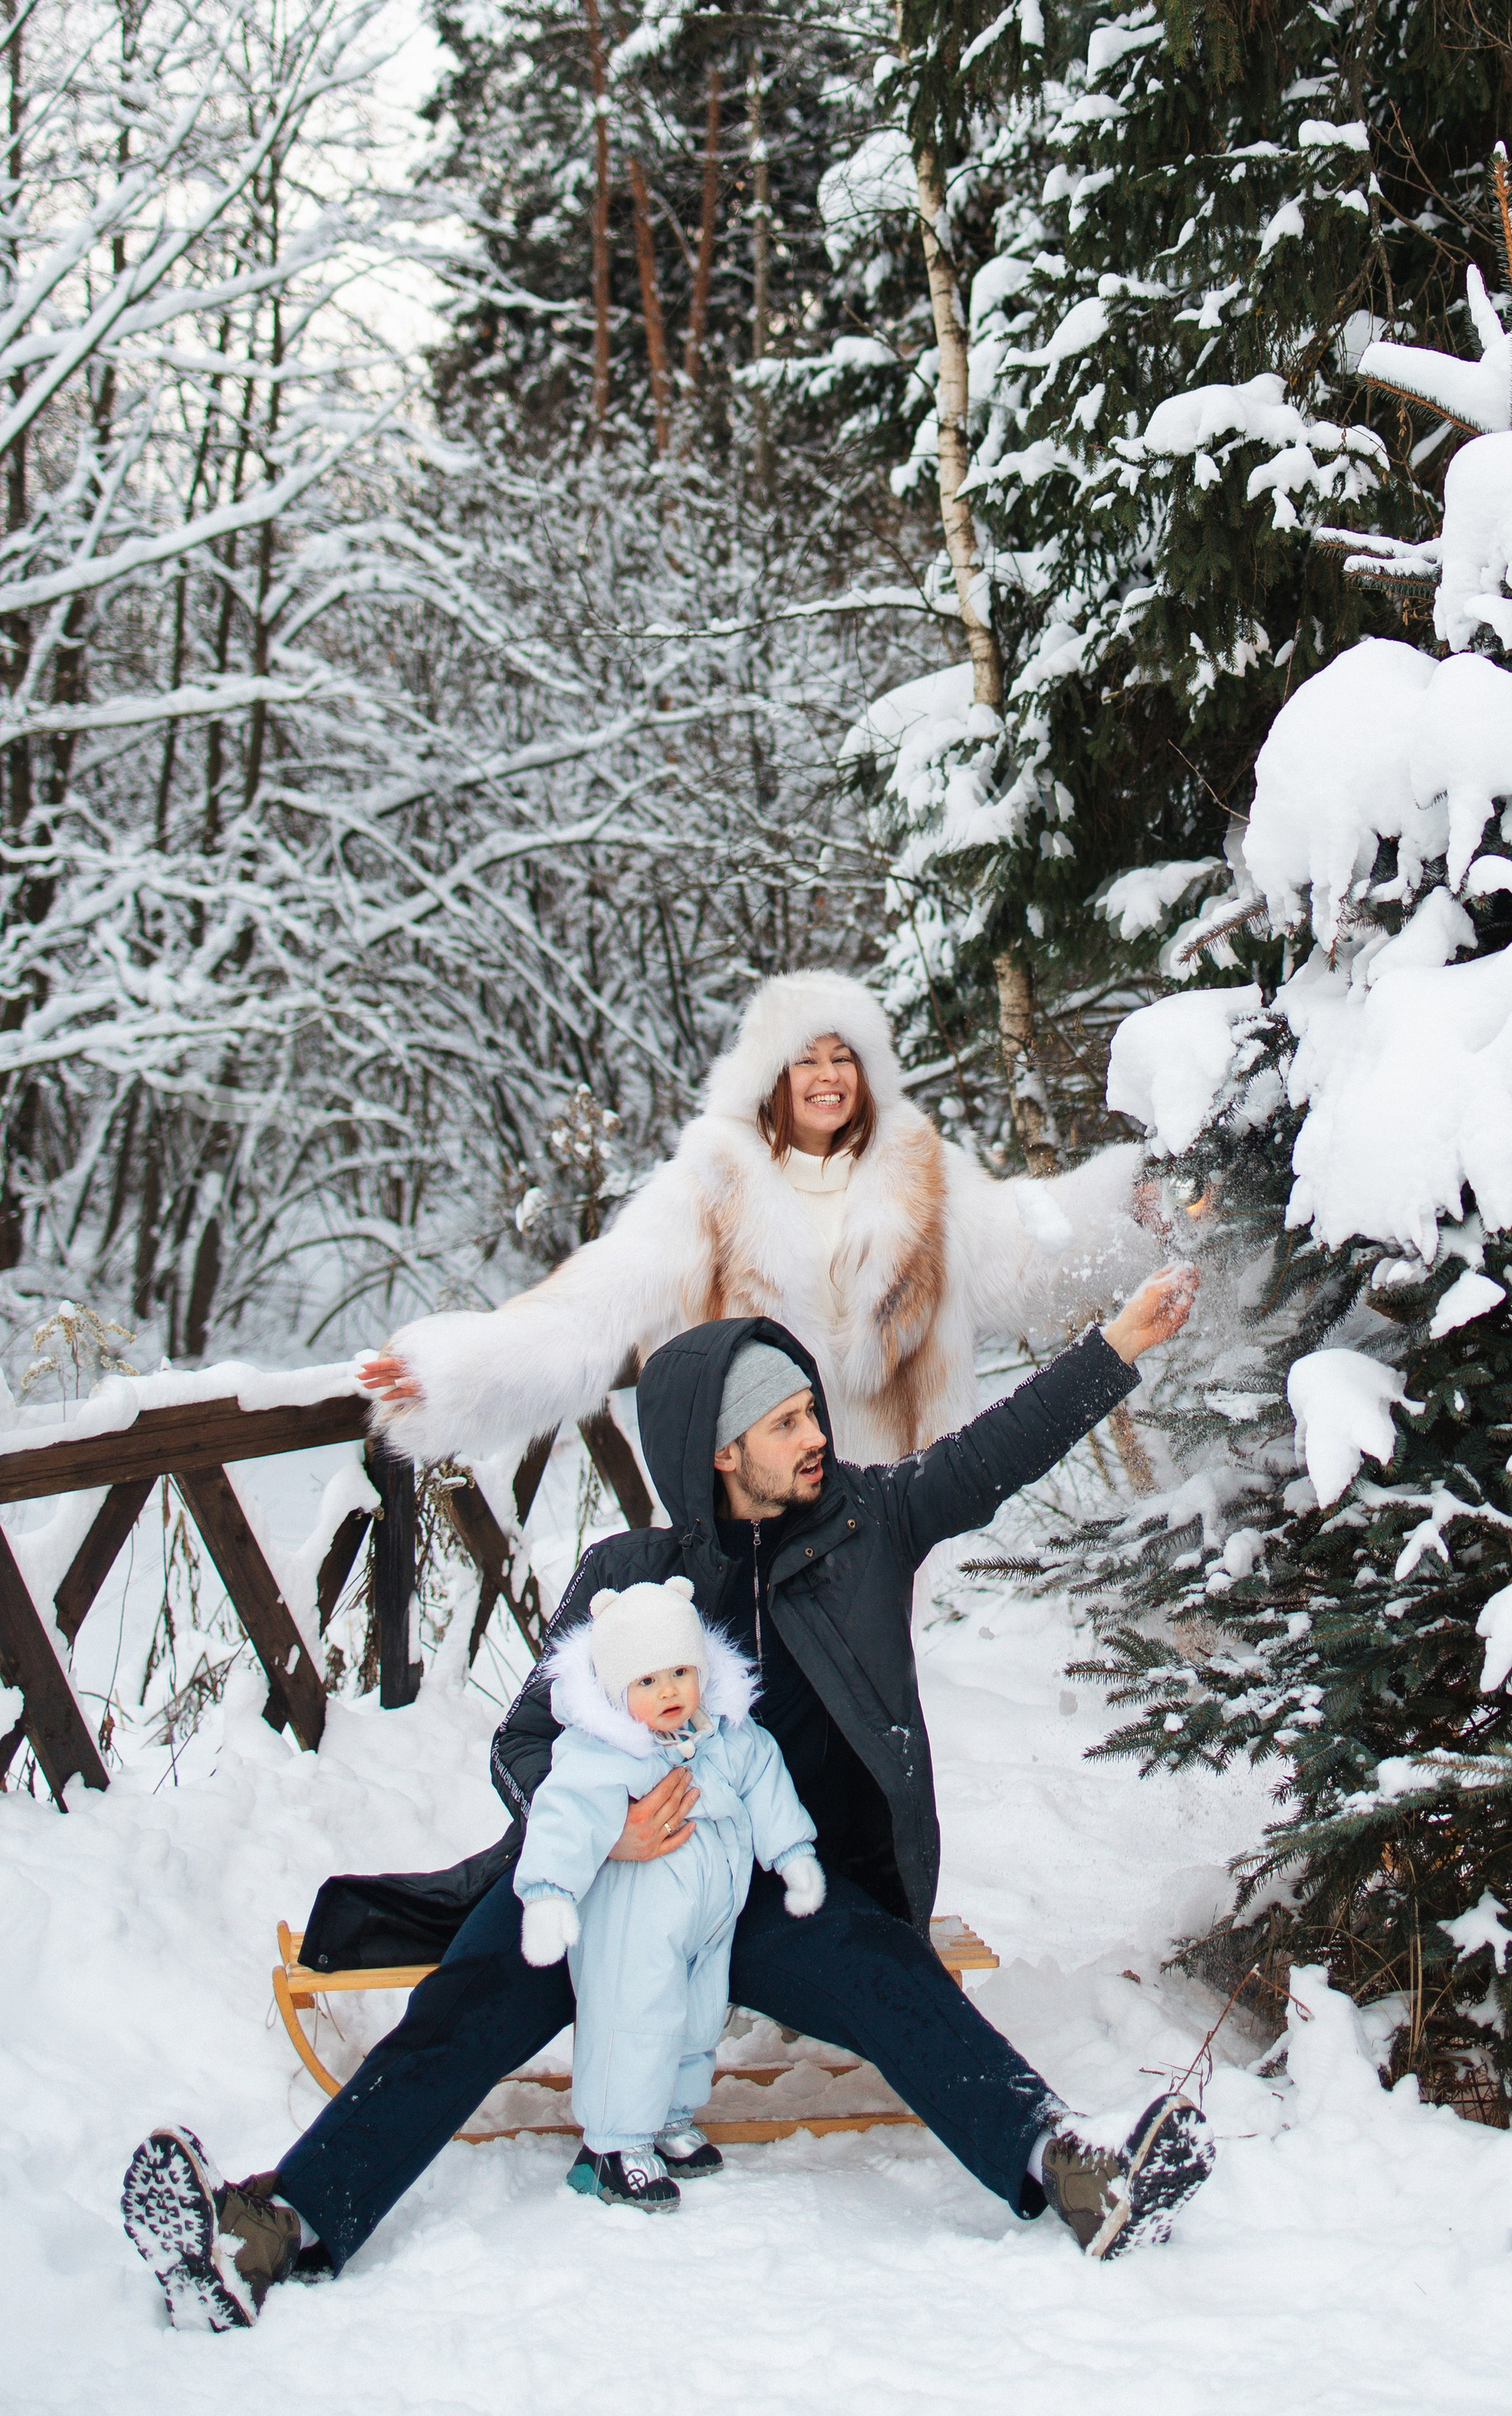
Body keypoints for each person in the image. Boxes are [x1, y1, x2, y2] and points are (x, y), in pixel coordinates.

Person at [120, 1266, 1210, 2327]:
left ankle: (1079, 2174)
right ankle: (268, 2231)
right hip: (609, 1872)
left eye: (809, 1412)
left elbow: (989, 1458)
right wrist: (610, 1834)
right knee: (467, 2003)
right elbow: (526, 1738)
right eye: (784, 1423)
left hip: (778, 1886)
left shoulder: (869, 1524)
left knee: (893, 1979)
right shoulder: (624, 1574)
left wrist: (1115, 1348)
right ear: (721, 1450)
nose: (815, 1436)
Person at [361, 968, 1148, 1469]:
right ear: (771, 1076)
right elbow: (595, 1301)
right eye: (806, 1058)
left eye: (845, 1058)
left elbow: (1025, 1255)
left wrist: (1135, 1208)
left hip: (894, 1512)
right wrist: (454, 1375)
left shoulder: (921, 1175)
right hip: (756, 1512)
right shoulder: (711, 1184)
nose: (828, 1076)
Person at [512, 1572, 823, 2212]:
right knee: (634, 2019)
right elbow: (562, 1815)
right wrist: (548, 1894)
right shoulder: (602, 1754)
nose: (669, 1691)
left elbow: (767, 1780)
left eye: (680, 1671)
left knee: (696, 2016)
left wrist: (793, 1854)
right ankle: (612, 2145)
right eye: (647, 1681)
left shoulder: (728, 1737)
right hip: (633, 1925)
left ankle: (668, 2118)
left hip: (707, 1920)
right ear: (617, 1689)